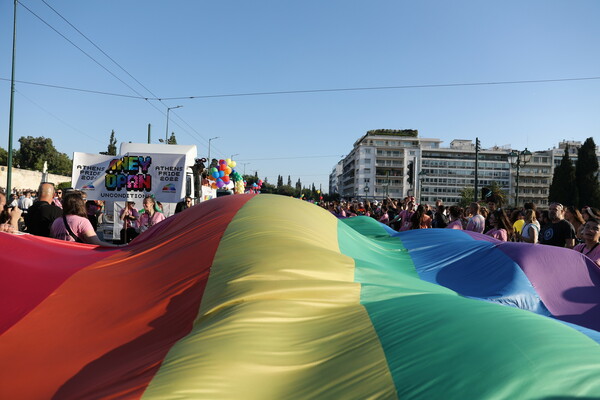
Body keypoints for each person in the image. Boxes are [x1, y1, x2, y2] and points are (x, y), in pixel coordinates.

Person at [50, 191, 118, 246]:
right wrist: (118, 247)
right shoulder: (82, 221)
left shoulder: (56, 221)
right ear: (80, 205)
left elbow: (52, 241)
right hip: (77, 257)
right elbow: (95, 243)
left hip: (61, 257)